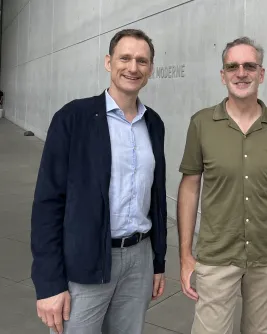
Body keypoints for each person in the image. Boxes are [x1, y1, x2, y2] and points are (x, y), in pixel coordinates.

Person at [31, 28, 167, 334]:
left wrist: (158, 262)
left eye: (142, 61)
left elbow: (156, 199)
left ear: (150, 69)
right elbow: (48, 203)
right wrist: (49, 282)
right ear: (109, 62)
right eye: (125, 58)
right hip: (86, 260)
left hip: (139, 260)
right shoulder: (73, 118)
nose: (133, 67)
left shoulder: (153, 124)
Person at [177, 37, 267, 334]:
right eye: (232, 66)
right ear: (223, 75)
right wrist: (184, 255)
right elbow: (190, 186)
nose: (241, 72)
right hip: (218, 253)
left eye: (249, 65)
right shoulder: (202, 123)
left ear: (261, 73)